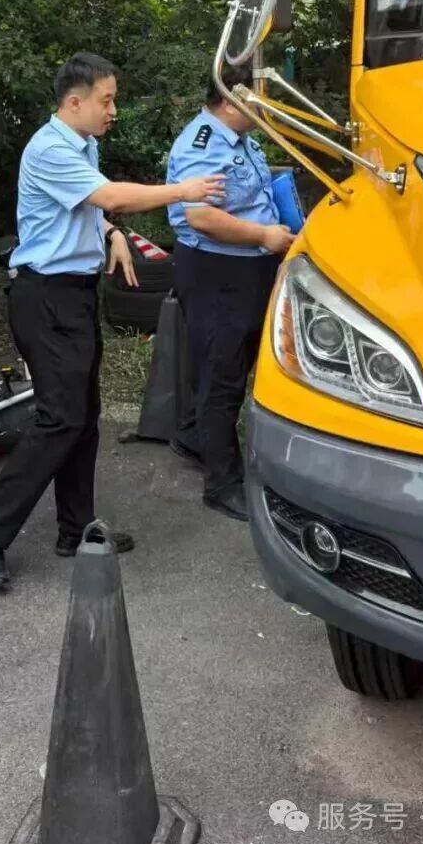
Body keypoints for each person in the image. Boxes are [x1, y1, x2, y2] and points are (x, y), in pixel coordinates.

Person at [0, 53, 225, 591]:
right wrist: (183, 191)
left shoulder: (83, 144)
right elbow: (106, 195)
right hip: (45, 297)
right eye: (107, 100)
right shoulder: (51, 147)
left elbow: (88, 208)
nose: (114, 110)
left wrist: (112, 235)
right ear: (75, 101)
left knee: (83, 416)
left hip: (75, 295)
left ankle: (73, 527)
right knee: (60, 416)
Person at [166, 64, 293, 522]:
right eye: (259, 96)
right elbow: (200, 216)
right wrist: (262, 236)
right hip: (218, 270)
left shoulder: (243, 139)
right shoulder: (203, 142)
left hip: (248, 268)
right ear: (232, 96)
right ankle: (222, 483)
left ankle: (195, 436)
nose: (265, 105)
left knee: (230, 362)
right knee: (223, 372)